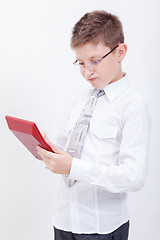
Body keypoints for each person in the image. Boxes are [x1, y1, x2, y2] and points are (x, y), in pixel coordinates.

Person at [37, 10, 151, 240]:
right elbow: (64, 152)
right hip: (63, 220)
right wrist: (47, 151)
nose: (87, 71)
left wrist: (72, 167)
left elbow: (133, 176)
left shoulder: (133, 107)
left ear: (120, 52)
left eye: (95, 61)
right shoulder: (79, 101)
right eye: (80, 63)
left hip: (101, 228)